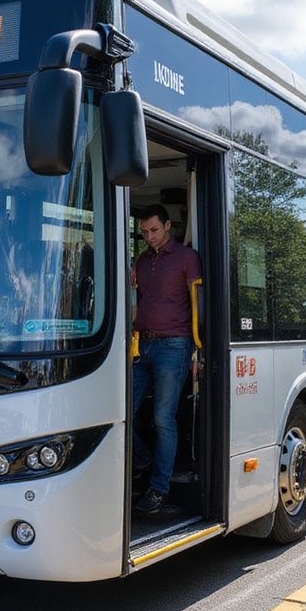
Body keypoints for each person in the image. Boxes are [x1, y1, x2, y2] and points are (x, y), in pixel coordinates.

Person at [131, 204, 202, 515]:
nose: (149, 237)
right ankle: (145, 461)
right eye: (144, 232)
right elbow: (138, 301)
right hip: (141, 346)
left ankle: (158, 489)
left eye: (154, 230)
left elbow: (199, 302)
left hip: (175, 346)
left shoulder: (187, 258)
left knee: (163, 418)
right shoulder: (142, 260)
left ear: (168, 226)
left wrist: (201, 348)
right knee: (122, 412)